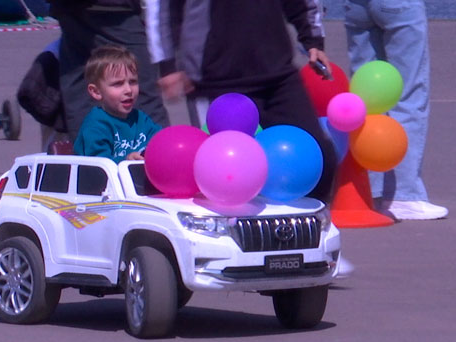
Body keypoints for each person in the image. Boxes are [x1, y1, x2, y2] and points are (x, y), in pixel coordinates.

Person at [144, 0, 338, 203]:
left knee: (318, 159)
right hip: (214, 80)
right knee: (221, 177)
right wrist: (167, 65)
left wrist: (313, 41)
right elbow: (161, 6)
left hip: (277, 74)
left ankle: (302, 232)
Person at [345, 0, 448, 220]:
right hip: (398, 5)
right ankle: (403, 195)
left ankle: (368, 191)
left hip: (356, 5)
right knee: (408, 93)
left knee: (367, 96)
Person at [47, 0, 169, 142]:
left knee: (81, 92)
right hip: (113, 10)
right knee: (139, 89)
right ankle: (160, 157)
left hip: (70, 9)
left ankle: (91, 157)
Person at [74, 45, 162, 162]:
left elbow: (162, 139)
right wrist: (126, 160)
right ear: (96, 92)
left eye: (133, 82)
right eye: (118, 84)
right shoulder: (96, 125)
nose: (128, 90)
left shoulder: (140, 119)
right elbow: (99, 166)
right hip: (101, 179)